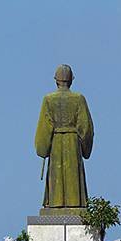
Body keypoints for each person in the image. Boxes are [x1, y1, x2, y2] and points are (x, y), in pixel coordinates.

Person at [35, 64, 94, 210]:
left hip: (56, 143)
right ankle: (75, 202)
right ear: (71, 80)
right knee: (73, 173)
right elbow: (86, 128)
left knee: (56, 173)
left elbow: (44, 128)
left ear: (56, 80)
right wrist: (85, 147)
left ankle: (55, 202)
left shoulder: (48, 100)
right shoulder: (79, 99)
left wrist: (43, 148)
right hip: (73, 144)